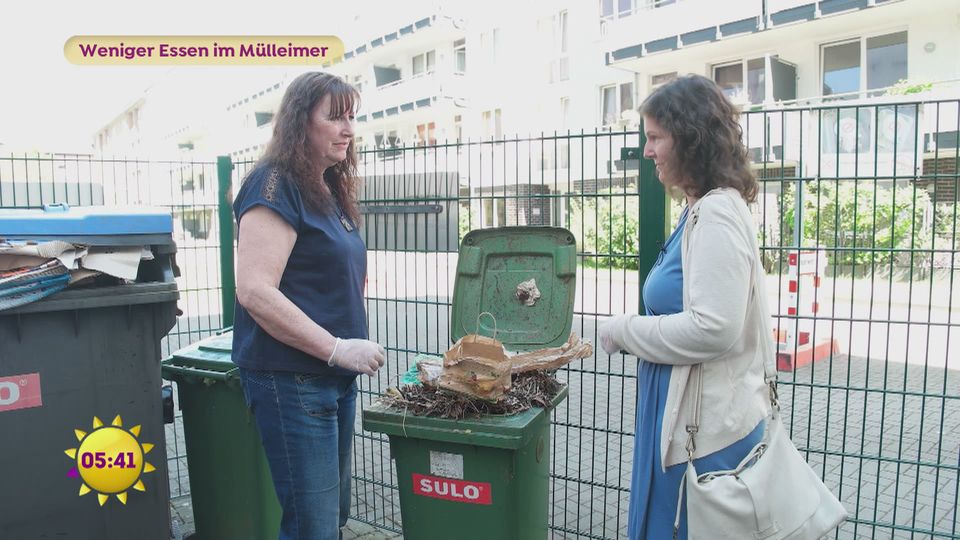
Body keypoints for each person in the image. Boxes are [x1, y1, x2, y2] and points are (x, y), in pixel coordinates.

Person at [598, 74, 773, 539]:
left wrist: (623, 329)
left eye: (656, 137)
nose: (648, 149)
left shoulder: (716, 215)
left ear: (690, 138)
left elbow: (713, 328)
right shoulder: (703, 209)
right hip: (686, 418)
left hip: (703, 435)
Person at [232, 72, 385, 540]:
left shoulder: (324, 188)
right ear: (302, 122)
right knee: (312, 528)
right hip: (294, 380)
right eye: (335, 117)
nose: (348, 129)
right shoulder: (274, 184)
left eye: (351, 118)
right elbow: (255, 290)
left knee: (329, 521)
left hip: (332, 378)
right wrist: (338, 348)